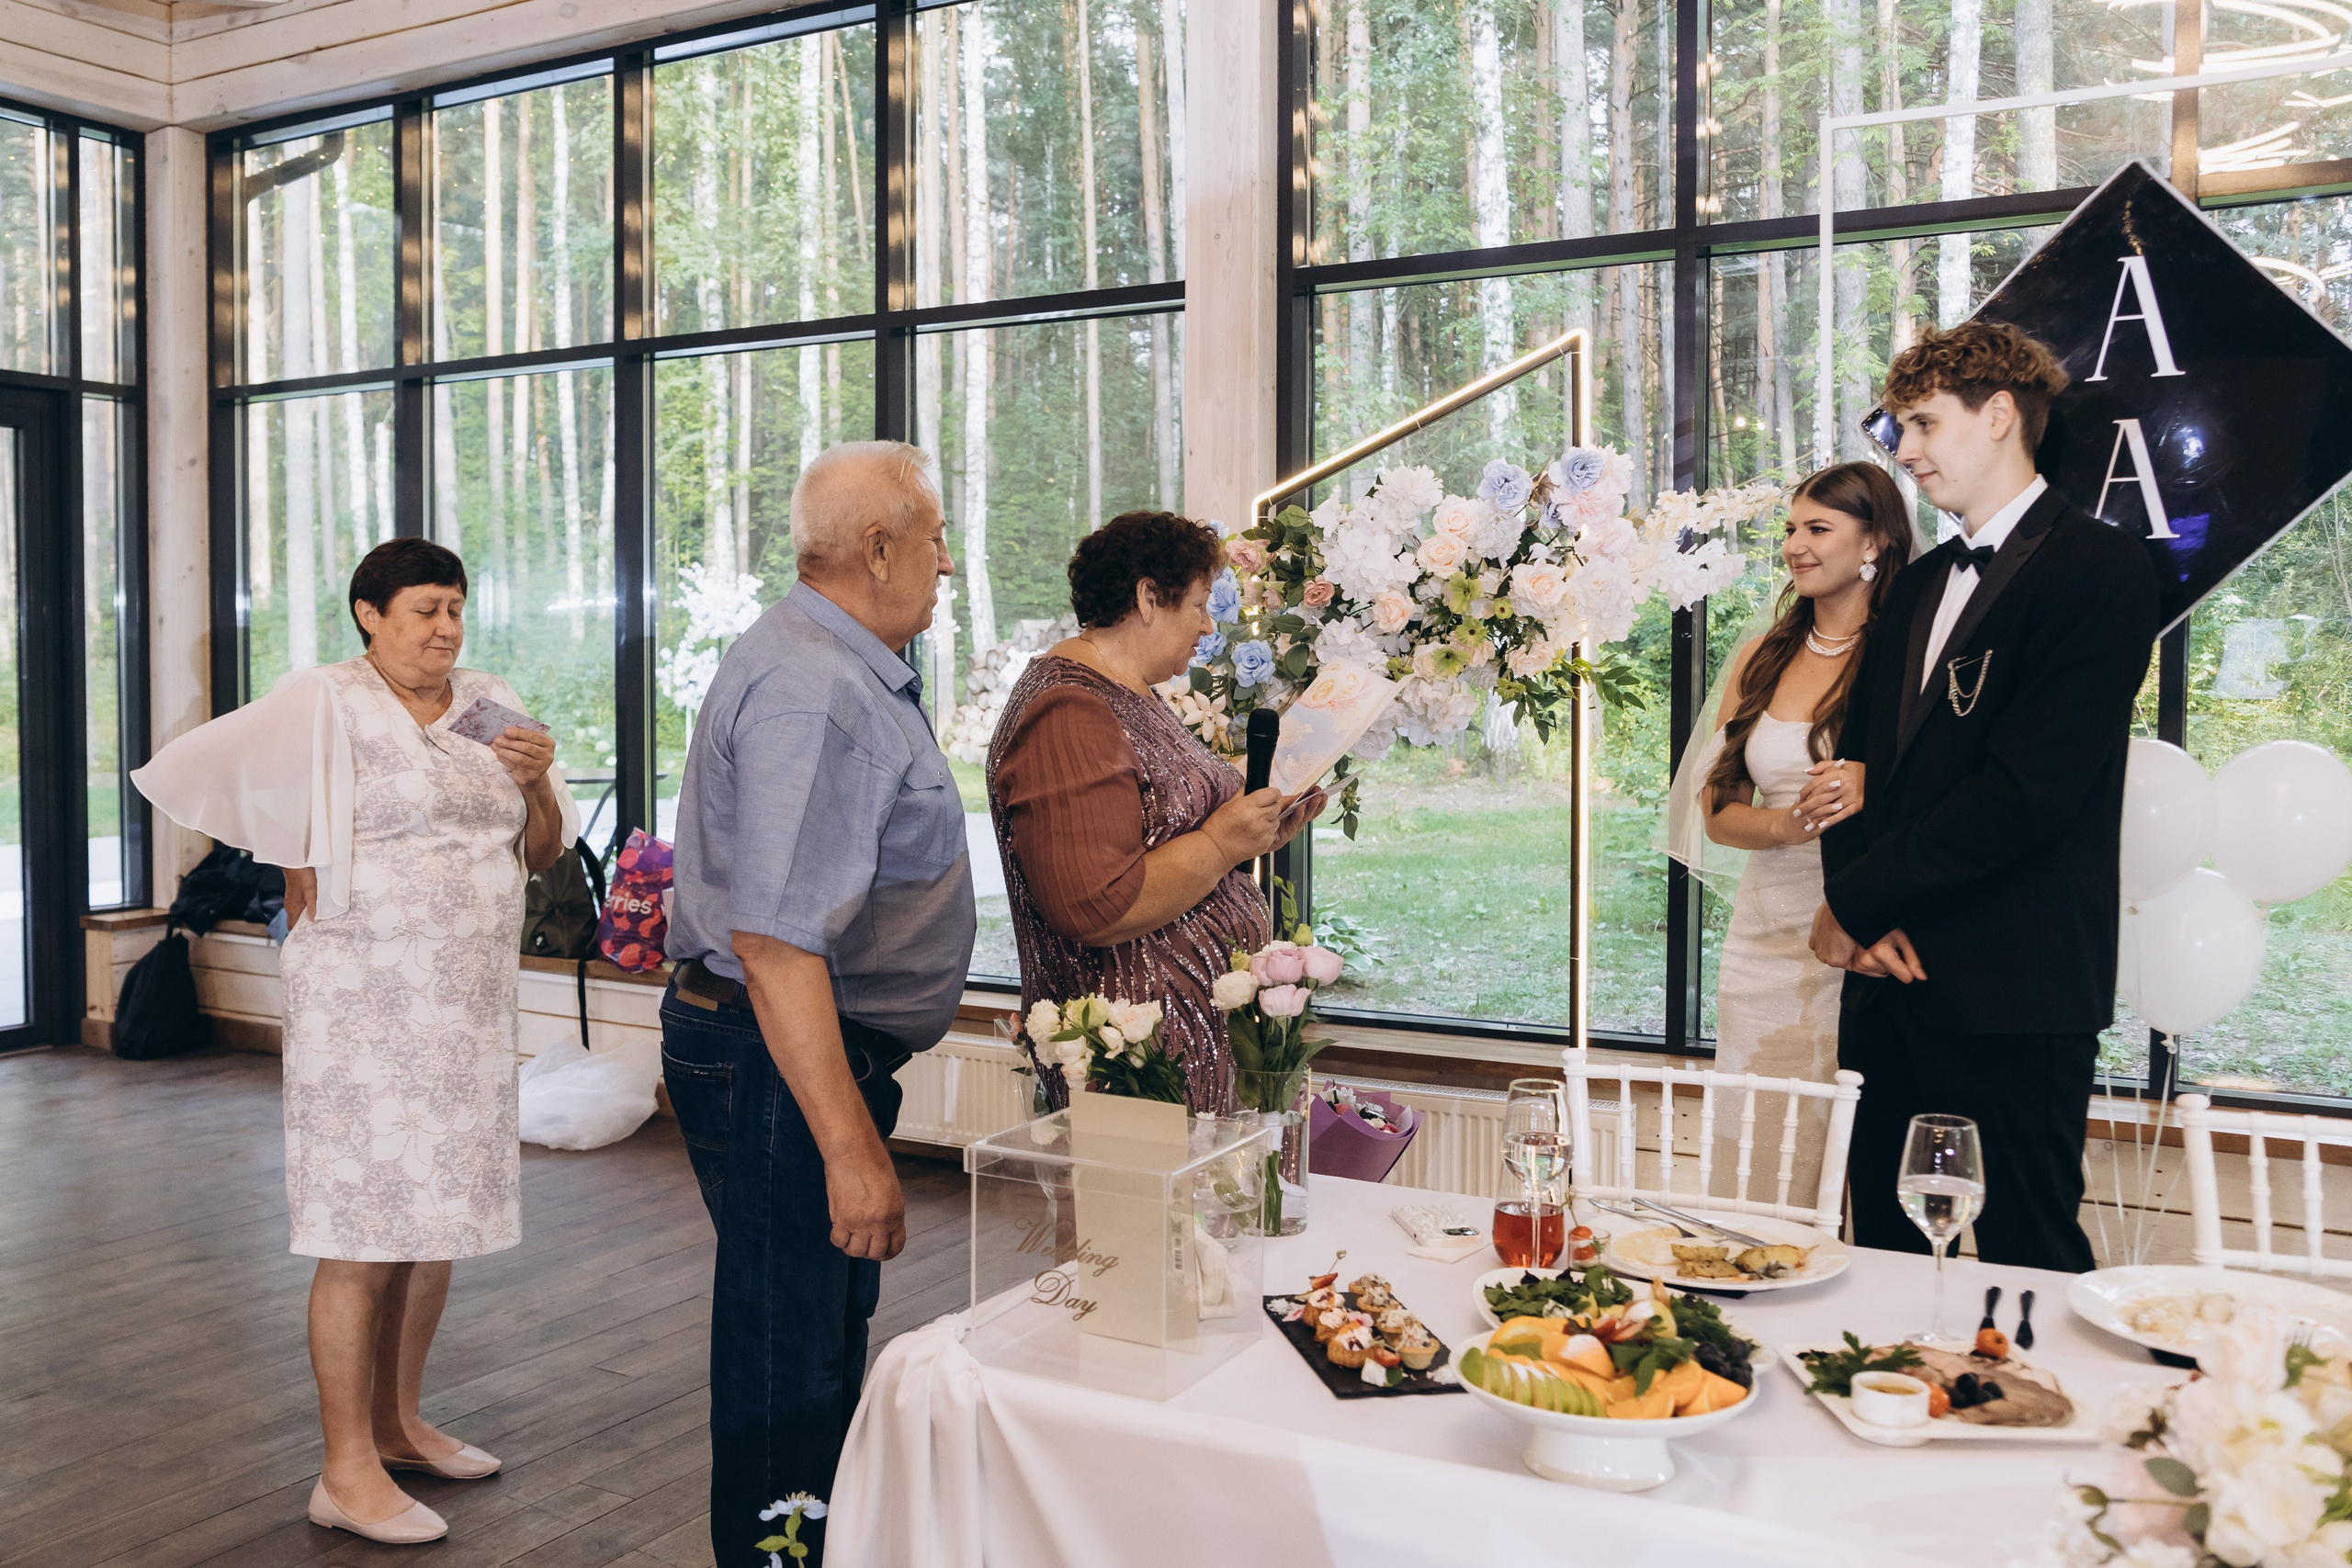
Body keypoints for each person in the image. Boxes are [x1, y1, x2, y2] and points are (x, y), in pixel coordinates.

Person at [133, 537, 576, 1546]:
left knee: (434, 1223)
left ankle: (399, 1423)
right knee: (362, 1226)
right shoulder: (323, 699)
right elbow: (206, 768)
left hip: (466, 1003)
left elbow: (539, 849)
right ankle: (342, 1471)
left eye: (457, 607)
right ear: (369, 614)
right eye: (425, 609)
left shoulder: (487, 700)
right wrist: (288, 848)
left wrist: (542, 782)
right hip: (365, 1005)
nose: (447, 628)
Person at [661, 440, 973, 1568]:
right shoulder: (816, 688)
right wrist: (849, 1150)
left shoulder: (842, 664)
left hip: (790, 1047)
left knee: (815, 1335)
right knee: (787, 1354)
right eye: (933, 537)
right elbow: (776, 942)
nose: (948, 560)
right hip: (780, 1051)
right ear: (875, 548)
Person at [1813, 320, 2162, 1273]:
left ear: (2000, 415)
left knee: (2026, 1252)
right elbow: (1853, 770)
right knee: (1876, 1252)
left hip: (2015, 985)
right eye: (1900, 428)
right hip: (1887, 983)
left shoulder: (2100, 571)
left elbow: (2029, 792)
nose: (1905, 451)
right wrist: (1861, 911)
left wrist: (1854, 901)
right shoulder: (1919, 582)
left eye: (1922, 425)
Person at [987, 511, 1323, 1112]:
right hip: (1133, 1063)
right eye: (1196, 605)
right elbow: (1096, 904)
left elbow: (1166, 819)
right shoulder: (1068, 711)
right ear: (1147, 596)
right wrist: (1224, 844)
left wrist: (1257, 825)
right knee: (1142, 1210)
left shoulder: (1129, 690)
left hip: (1184, 1036)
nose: (1205, 624)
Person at [1663, 461, 1918, 1202]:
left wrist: (1871, 788)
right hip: (1763, 938)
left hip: (1866, 932)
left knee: (1863, 1163)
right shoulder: (1762, 655)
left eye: (1817, 528)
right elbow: (1717, 807)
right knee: (1757, 1160)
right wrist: (1786, 823)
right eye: (1789, 529)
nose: (1795, 546)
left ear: (1873, 541)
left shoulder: (1905, 654)